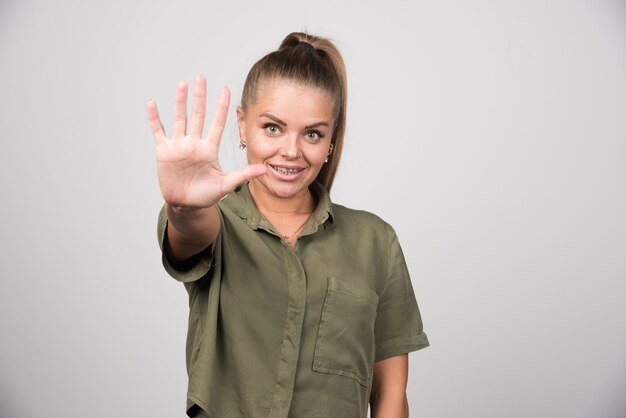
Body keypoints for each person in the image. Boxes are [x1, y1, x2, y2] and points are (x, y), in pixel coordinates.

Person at [147, 32, 429, 418]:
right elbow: (189, 236)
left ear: (330, 142)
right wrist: (183, 205)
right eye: (273, 128)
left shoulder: (375, 242)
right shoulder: (218, 222)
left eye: (313, 134)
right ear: (243, 126)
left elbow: (391, 396)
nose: (292, 151)